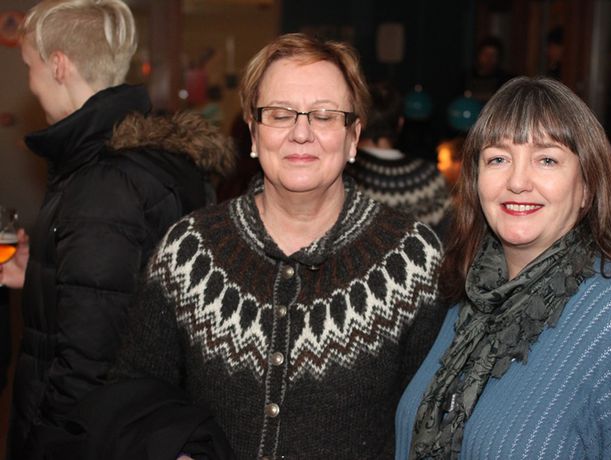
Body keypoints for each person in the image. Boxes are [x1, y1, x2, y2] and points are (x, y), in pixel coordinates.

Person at [109, 33, 445, 459]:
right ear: (253, 132)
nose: (301, 133)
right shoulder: (188, 251)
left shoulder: (413, 261)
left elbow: (434, 428)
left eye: (324, 115)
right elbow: (133, 396)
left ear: (353, 136)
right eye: (280, 114)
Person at [395, 76, 611, 459]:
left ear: (587, 187)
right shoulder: (471, 293)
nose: (517, 181)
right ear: (475, 181)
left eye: (547, 160)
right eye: (498, 159)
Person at [0, 0, 234, 456]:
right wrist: (44, 273)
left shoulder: (104, 182)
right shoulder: (144, 159)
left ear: (58, 65)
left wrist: (48, 446)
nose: (30, 82)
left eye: (30, 67)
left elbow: (87, 365)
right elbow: (120, 295)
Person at [346, 81, 452, 237]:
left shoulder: (343, 174)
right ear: (400, 123)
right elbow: (449, 238)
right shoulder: (430, 177)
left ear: (357, 123)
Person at [468, 35, 511, 104]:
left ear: (499, 58)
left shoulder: (505, 80)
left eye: (493, 55)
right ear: (478, 56)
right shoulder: (466, 77)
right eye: (486, 55)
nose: (489, 59)